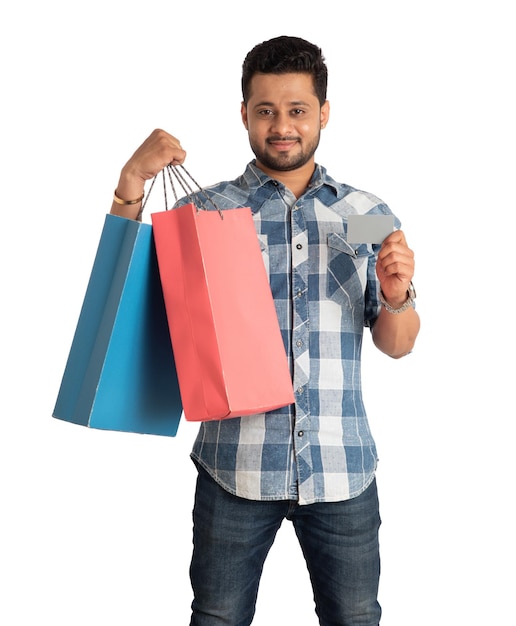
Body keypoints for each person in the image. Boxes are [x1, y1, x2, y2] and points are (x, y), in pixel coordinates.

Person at [110, 35, 420, 626]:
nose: (282, 125)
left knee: (356, 618)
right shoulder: (204, 210)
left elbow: (398, 344)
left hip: (342, 470)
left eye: (297, 110)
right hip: (234, 468)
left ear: (323, 113)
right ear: (244, 114)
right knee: (217, 619)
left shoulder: (366, 211)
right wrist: (130, 184)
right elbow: (124, 304)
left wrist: (399, 296)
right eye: (266, 110)